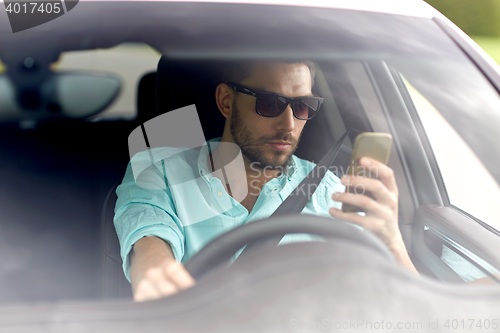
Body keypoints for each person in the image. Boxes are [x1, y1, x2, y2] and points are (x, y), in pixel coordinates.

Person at [114, 60, 418, 302]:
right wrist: (156, 270)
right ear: (226, 101)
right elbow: (148, 231)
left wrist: (393, 244)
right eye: (271, 103)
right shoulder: (162, 171)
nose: (289, 125)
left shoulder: (330, 193)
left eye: (302, 107)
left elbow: (406, 302)